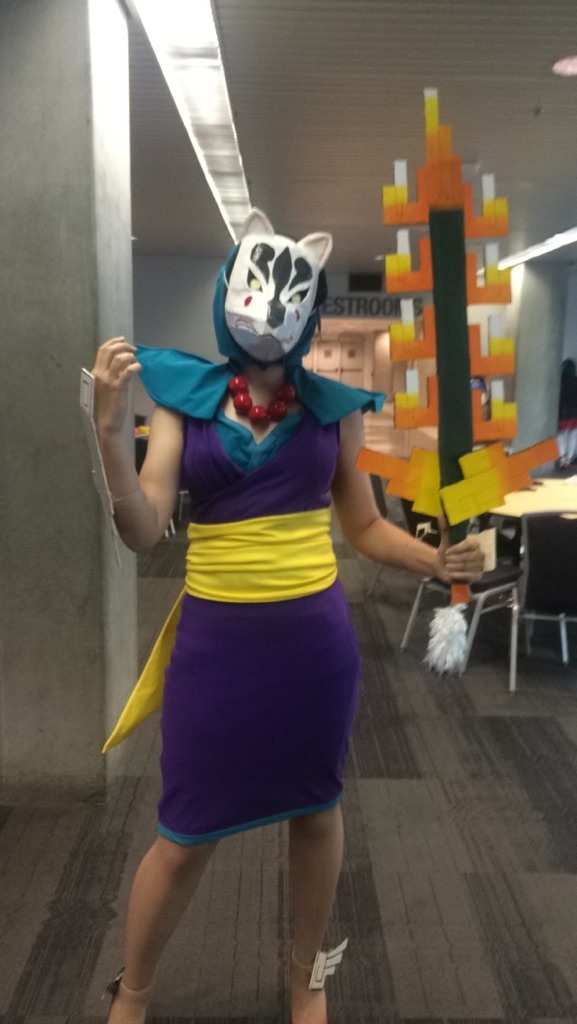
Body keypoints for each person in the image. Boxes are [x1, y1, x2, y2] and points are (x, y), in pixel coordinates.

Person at [91, 210, 483, 1024]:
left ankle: (307, 980)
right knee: (185, 831)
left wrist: (433, 562)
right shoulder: (185, 397)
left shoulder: (332, 407)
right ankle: (132, 996)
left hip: (312, 648)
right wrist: (109, 443)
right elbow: (143, 528)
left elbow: (363, 526)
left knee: (315, 809)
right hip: (215, 646)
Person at [557, 359, 577, 469]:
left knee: (561, 435)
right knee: (573, 434)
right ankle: (569, 458)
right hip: (575, 413)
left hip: (564, 412)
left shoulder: (560, 381)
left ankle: (562, 458)